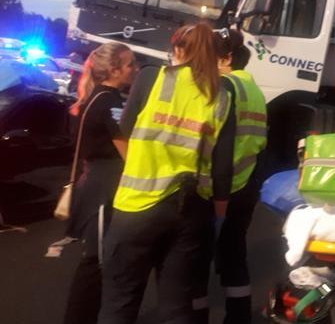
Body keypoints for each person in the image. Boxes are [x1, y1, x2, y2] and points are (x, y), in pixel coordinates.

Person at [97, 23, 235, 324]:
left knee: (119, 304)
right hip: (191, 210)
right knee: (176, 308)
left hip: (137, 207)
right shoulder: (223, 95)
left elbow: (125, 130)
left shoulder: (150, 78)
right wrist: (219, 220)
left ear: (178, 51)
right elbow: (223, 168)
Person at [192, 28, 267, 324]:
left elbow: (211, 135)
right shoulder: (254, 89)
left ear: (226, 58)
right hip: (246, 183)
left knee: (197, 258)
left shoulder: (224, 86)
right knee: (234, 254)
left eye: (213, 56)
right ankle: (238, 317)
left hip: (218, 185)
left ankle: (195, 316)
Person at [62, 42, 137, 324]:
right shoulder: (110, 102)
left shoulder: (96, 96)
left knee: (96, 260)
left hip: (93, 184)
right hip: (103, 190)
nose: (135, 69)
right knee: (95, 262)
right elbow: (128, 153)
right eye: (130, 64)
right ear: (114, 69)